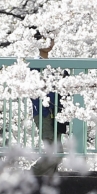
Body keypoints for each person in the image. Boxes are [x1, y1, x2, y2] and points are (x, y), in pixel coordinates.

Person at [30, 38, 68, 176]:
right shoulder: (34, 64)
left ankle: (47, 183)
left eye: (51, 40)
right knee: (55, 154)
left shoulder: (53, 65)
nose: (48, 43)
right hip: (43, 112)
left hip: (55, 113)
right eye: (44, 39)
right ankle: (30, 174)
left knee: (56, 153)